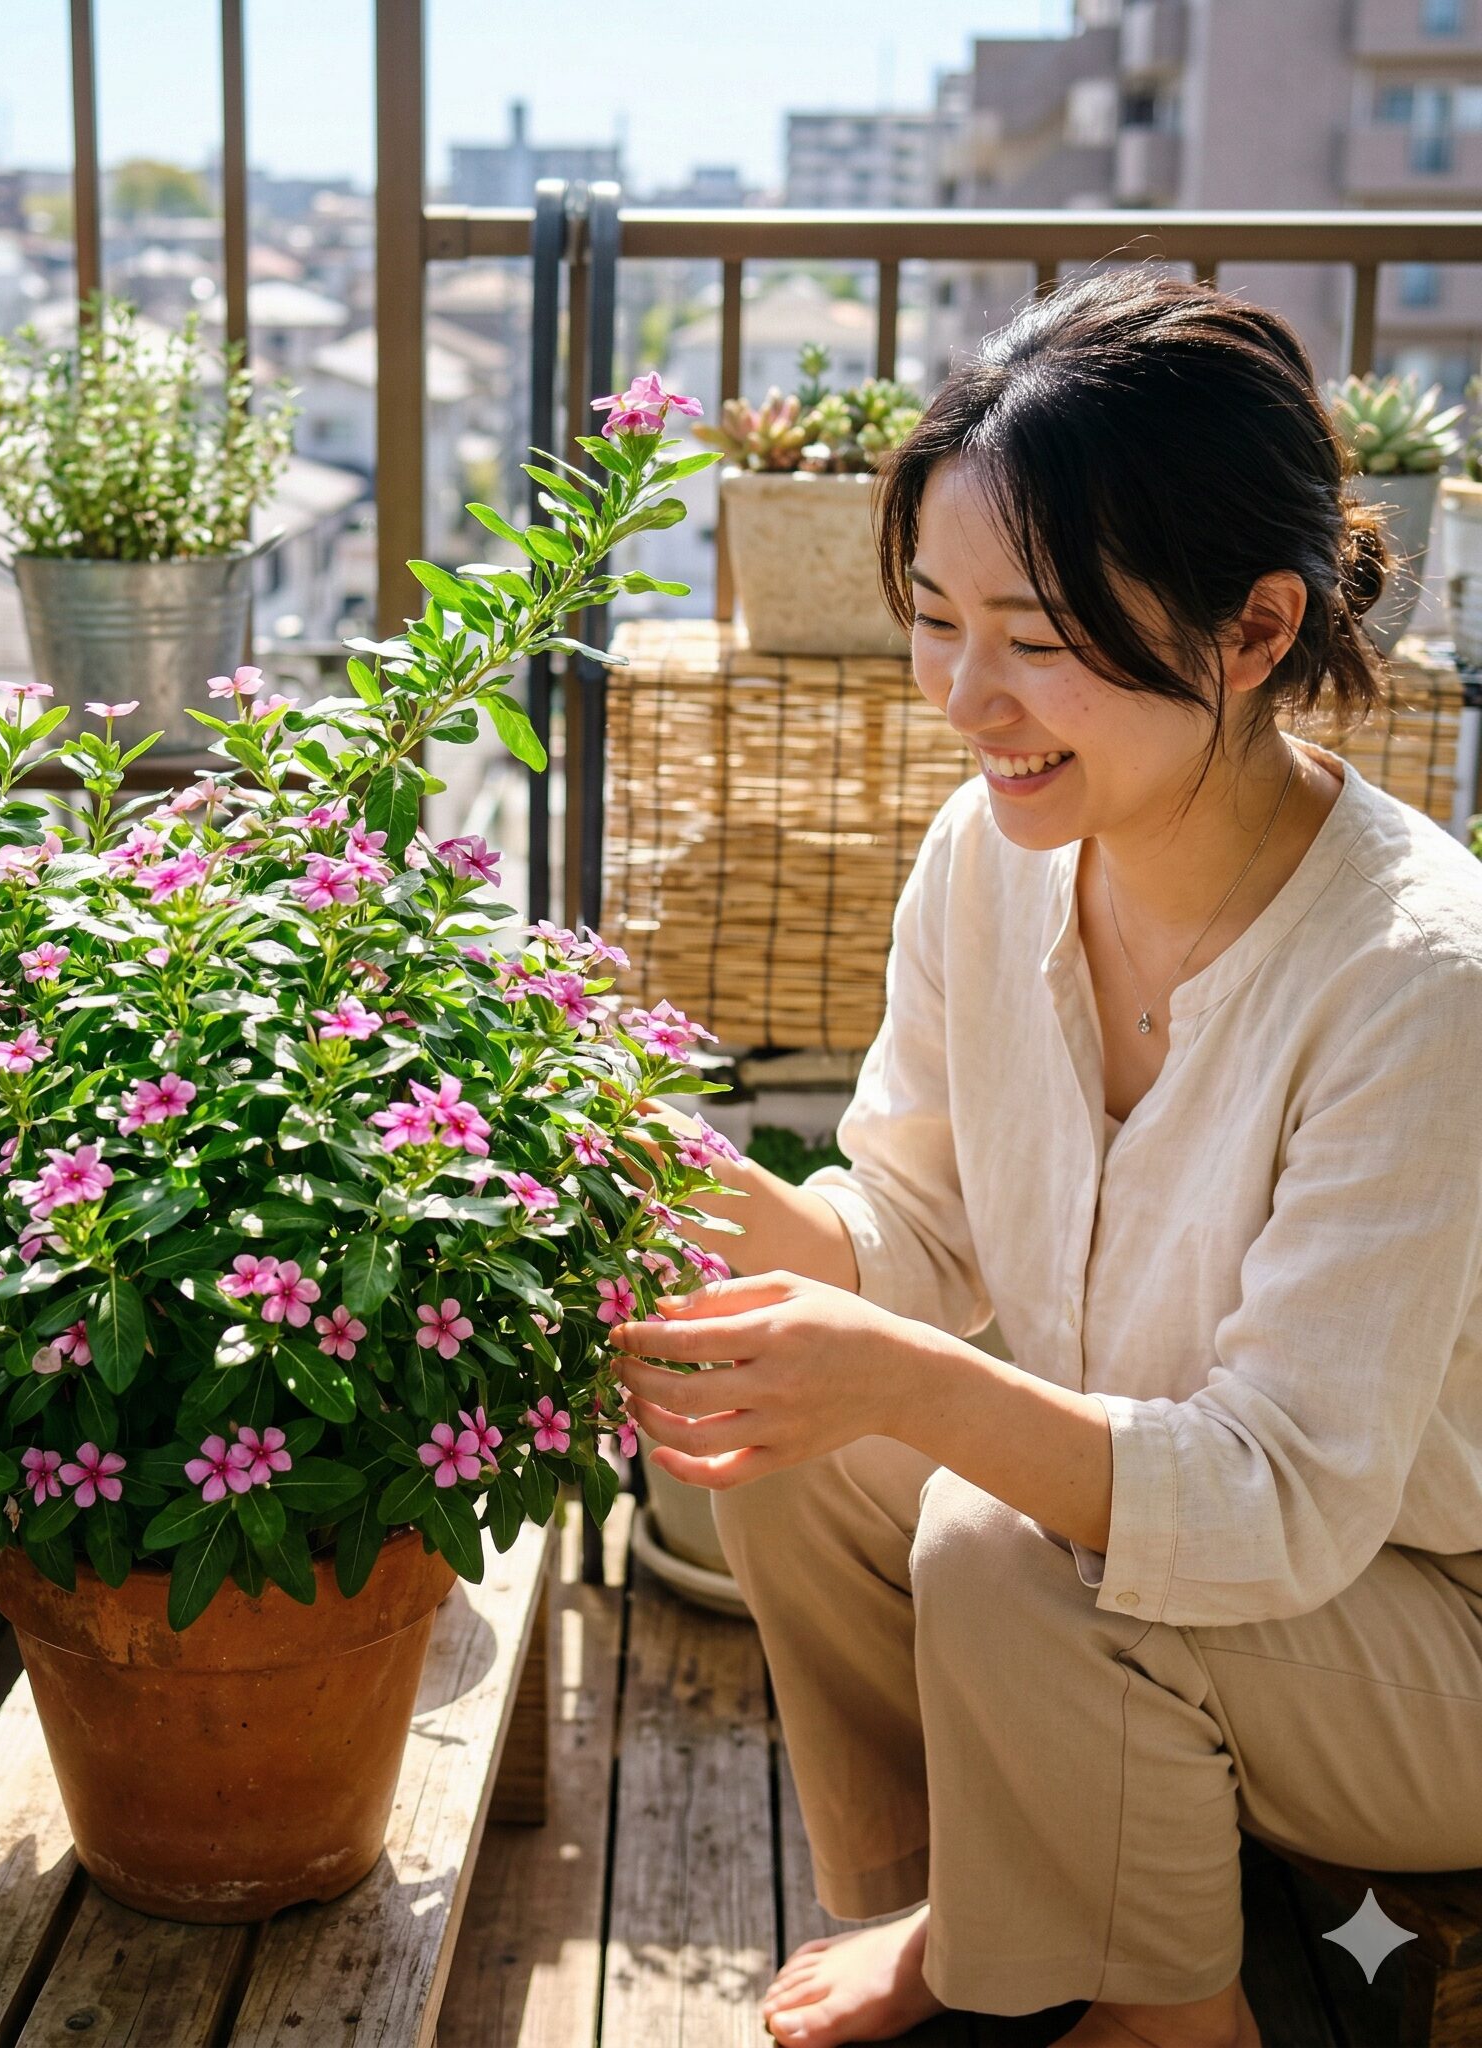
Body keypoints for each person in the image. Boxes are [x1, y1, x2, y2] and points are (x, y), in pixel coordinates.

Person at [608, 270, 1482, 2048]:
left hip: (1429, 1641)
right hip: (1228, 1560)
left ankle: (1177, 2019)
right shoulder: (994, 849)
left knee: (998, 1535)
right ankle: (961, 1913)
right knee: (765, 1406)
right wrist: (685, 1193)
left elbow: (1280, 1498)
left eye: (1043, 635)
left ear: (1252, 632)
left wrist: (905, 1378)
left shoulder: (1419, 980)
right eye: (937, 619)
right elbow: (914, 1220)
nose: (967, 697)